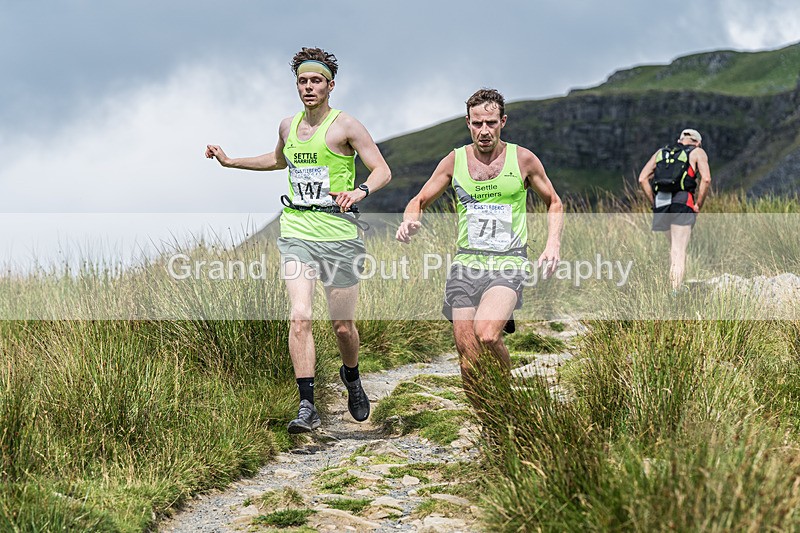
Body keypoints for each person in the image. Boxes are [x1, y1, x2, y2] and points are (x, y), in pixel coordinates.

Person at [205, 47, 391, 433]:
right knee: (300, 315)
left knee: (343, 327)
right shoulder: (287, 127)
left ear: (330, 86)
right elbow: (277, 161)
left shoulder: (346, 126)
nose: (309, 87)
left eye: (316, 81)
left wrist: (359, 191)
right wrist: (231, 161)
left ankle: (351, 375)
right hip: (297, 233)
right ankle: (307, 406)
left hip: (339, 236)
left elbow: (382, 170)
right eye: (303, 81)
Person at [395, 88, 563, 408]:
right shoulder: (455, 160)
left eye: (490, 123)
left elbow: (554, 202)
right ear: (468, 123)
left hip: (508, 262)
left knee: (487, 334)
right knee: (468, 359)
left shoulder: (523, 159)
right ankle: (487, 422)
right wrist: (409, 221)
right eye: (477, 124)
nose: (484, 131)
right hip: (466, 265)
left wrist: (552, 243)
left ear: (503, 122)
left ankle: (505, 402)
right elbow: (419, 200)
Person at [638, 128, 711, 291]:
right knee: (679, 250)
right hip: (682, 202)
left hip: (662, 204)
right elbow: (706, 179)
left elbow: (642, 179)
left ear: (680, 141)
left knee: (673, 248)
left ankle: (673, 285)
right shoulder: (698, 152)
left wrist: (655, 203)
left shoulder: (661, 153)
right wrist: (698, 204)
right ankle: (674, 292)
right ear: (698, 142)